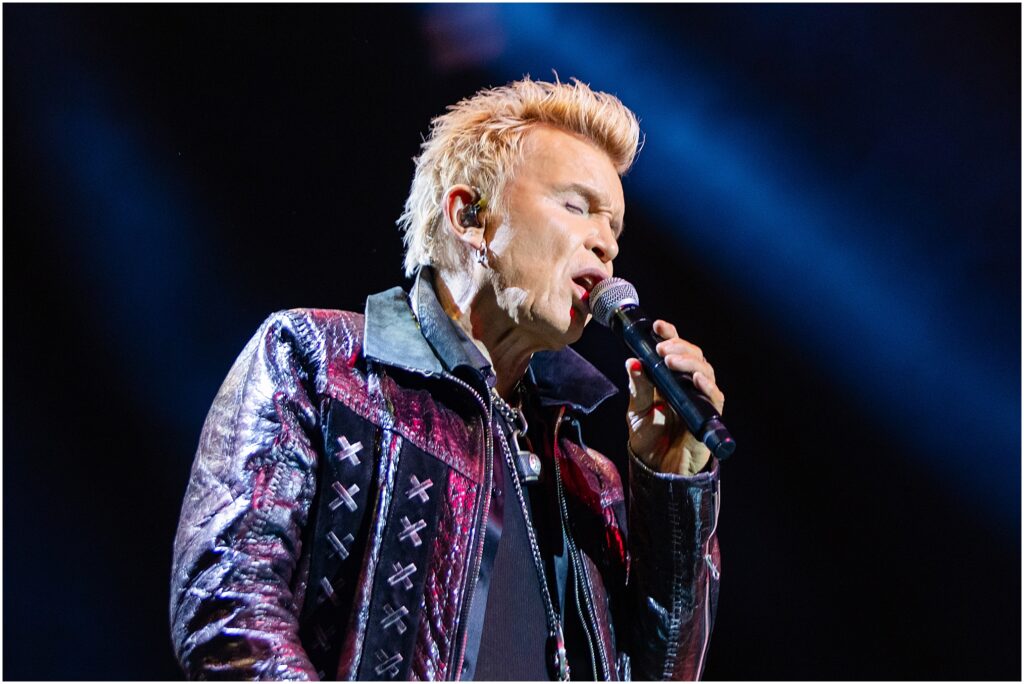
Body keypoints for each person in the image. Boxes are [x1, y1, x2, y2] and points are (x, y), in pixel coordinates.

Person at [170, 77, 724, 681]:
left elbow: (664, 673)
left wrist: (670, 490)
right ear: (470, 216)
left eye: (613, 230)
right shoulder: (323, 364)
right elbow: (231, 616)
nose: (603, 244)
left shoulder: (592, 482)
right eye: (575, 206)